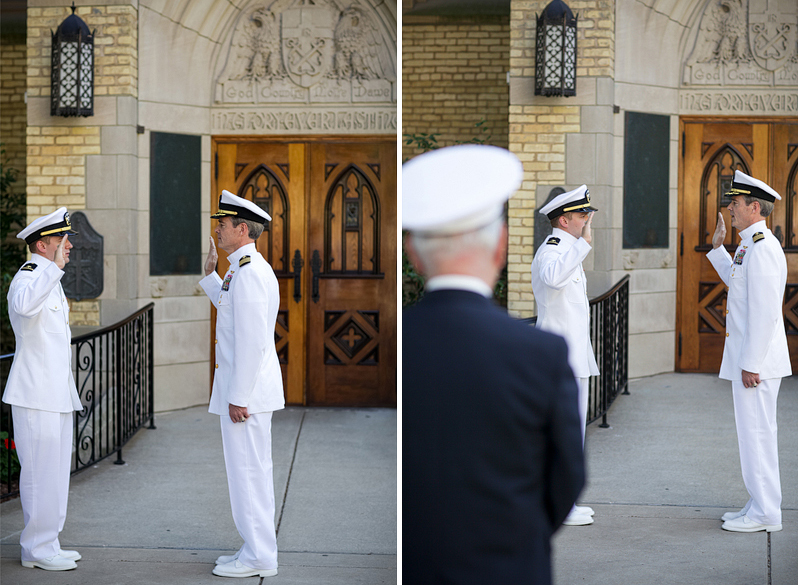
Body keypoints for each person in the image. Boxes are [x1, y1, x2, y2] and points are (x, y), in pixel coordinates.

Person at [403, 144, 586, 584]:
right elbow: (566, 479)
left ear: (413, 253)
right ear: (500, 247)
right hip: (511, 563)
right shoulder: (540, 354)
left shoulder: (395, 345)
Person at [200, 190, 284, 577]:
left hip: (246, 395)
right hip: (246, 392)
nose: (217, 229)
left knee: (248, 474)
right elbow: (233, 311)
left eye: (223, 224)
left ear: (243, 229)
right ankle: (254, 547)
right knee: (249, 473)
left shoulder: (249, 271)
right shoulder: (241, 268)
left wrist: (237, 397)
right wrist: (210, 279)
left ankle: (259, 557)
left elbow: (251, 342)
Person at [707, 170, 791, 533]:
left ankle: (766, 513)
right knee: (752, 434)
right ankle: (759, 501)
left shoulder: (764, 247)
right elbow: (739, 285)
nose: (730, 209)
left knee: (757, 434)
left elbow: (766, 311)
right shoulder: (749, 244)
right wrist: (717, 250)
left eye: (736, 203)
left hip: (756, 363)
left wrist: (751, 363)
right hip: (750, 359)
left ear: (755, 207)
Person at [2, 208, 83, 571]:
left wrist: (55, 271)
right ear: (41, 245)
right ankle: (35, 547)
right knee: (38, 473)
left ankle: (49, 541)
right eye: (61, 241)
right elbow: (22, 304)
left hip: (55, 393)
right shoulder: (29, 275)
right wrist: (53, 269)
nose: (68, 247)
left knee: (54, 473)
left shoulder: (49, 277)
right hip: (35, 395)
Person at [530, 185, 599, 527]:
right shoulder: (554, 250)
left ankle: (567, 501)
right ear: (564, 219)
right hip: (560, 359)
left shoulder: (568, 248)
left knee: (572, 433)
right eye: (582, 215)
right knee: (561, 433)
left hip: (573, 356)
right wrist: (583, 245)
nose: (587, 221)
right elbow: (553, 278)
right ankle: (557, 503)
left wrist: (580, 246)